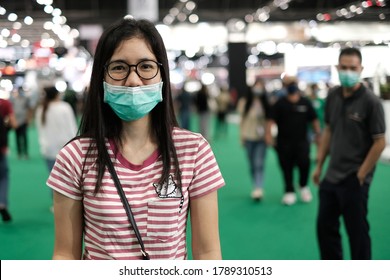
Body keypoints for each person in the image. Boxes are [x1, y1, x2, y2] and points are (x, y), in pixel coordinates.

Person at [46, 17, 225, 260]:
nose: (133, 80)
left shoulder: (194, 151)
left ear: (161, 74)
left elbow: (208, 252)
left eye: (146, 66)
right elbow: (65, 255)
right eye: (118, 67)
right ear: (101, 78)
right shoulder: (75, 157)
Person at [312, 47, 386, 260]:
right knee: (325, 230)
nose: (348, 71)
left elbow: (380, 142)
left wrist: (362, 174)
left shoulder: (371, 102)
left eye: (352, 68)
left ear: (360, 68)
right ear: (337, 67)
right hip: (331, 177)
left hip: (354, 179)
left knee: (358, 235)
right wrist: (319, 165)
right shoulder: (333, 95)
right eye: (344, 67)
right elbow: (328, 130)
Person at [265, 76, 321, 205]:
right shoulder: (280, 103)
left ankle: (303, 186)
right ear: (284, 86)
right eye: (288, 83)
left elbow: (314, 119)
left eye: (293, 83)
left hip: (302, 142)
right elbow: (270, 120)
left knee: (304, 164)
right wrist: (268, 135)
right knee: (286, 166)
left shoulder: (305, 102)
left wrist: (318, 134)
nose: (291, 85)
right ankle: (289, 190)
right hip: (284, 142)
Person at [237, 79, 270, 201]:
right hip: (248, 137)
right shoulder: (244, 102)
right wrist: (241, 137)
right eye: (256, 86)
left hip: (261, 138)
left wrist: (268, 135)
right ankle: (255, 184)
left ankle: (258, 187)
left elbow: (269, 121)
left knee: (259, 163)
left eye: (260, 86)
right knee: (252, 163)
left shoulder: (266, 103)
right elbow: (241, 121)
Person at [0, 96, 18, 222]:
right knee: (3, 176)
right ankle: (2, 203)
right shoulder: (4, 103)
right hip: (0, 148)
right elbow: (14, 124)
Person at [10, 87, 33, 159]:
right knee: (17, 137)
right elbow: (11, 111)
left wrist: (28, 119)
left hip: (24, 120)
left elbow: (29, 109)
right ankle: (19, 153)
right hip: (16, 121)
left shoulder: (26, 99)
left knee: (24, 137)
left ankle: (26, 152)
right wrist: (13, 121)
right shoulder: (13, 99)